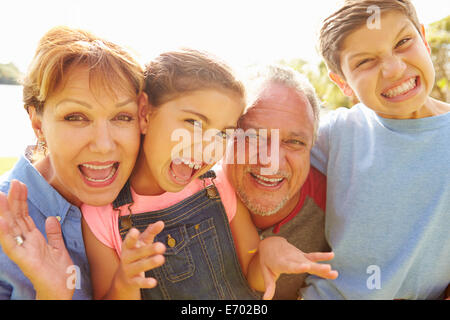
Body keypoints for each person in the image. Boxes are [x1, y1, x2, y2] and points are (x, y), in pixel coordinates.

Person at [81, 49, 338, 300]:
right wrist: (126, 283)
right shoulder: (101, 215)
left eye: (223, 133)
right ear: (145, 113)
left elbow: (251, 271)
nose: (208, 145)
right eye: (194, 123)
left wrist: (267, 255)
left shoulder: (219, 185)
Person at [301, 0, 450, 299]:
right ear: (343, 83)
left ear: (422, 37)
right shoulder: (336, 134)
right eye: (364, 61)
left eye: (403, 42)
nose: (394, 69)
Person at [0, 26, 146, 299]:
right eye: (76, 116)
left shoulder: (156, 196)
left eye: (123, 117)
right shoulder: (4, 224)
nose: (103, 145)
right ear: (38, 124)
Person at [223, 64, 334, 300]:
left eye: (294, 142)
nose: (271, 161)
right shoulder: (186, 195)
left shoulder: (335, 212)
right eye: (254, 136)